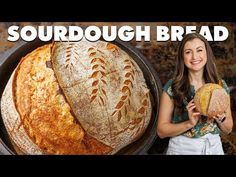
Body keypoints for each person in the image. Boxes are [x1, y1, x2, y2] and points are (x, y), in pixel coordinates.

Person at [157, 33, 233, 155]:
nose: (194, 56)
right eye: (188, 52)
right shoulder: (173, 87)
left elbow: (228, 129)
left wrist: (220, 118)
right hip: (182, 148)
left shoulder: (219, 86)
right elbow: (161, 131)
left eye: (199, 50)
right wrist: (189, 123)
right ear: (182, 57)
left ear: (206, 53)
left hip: (213, 148)